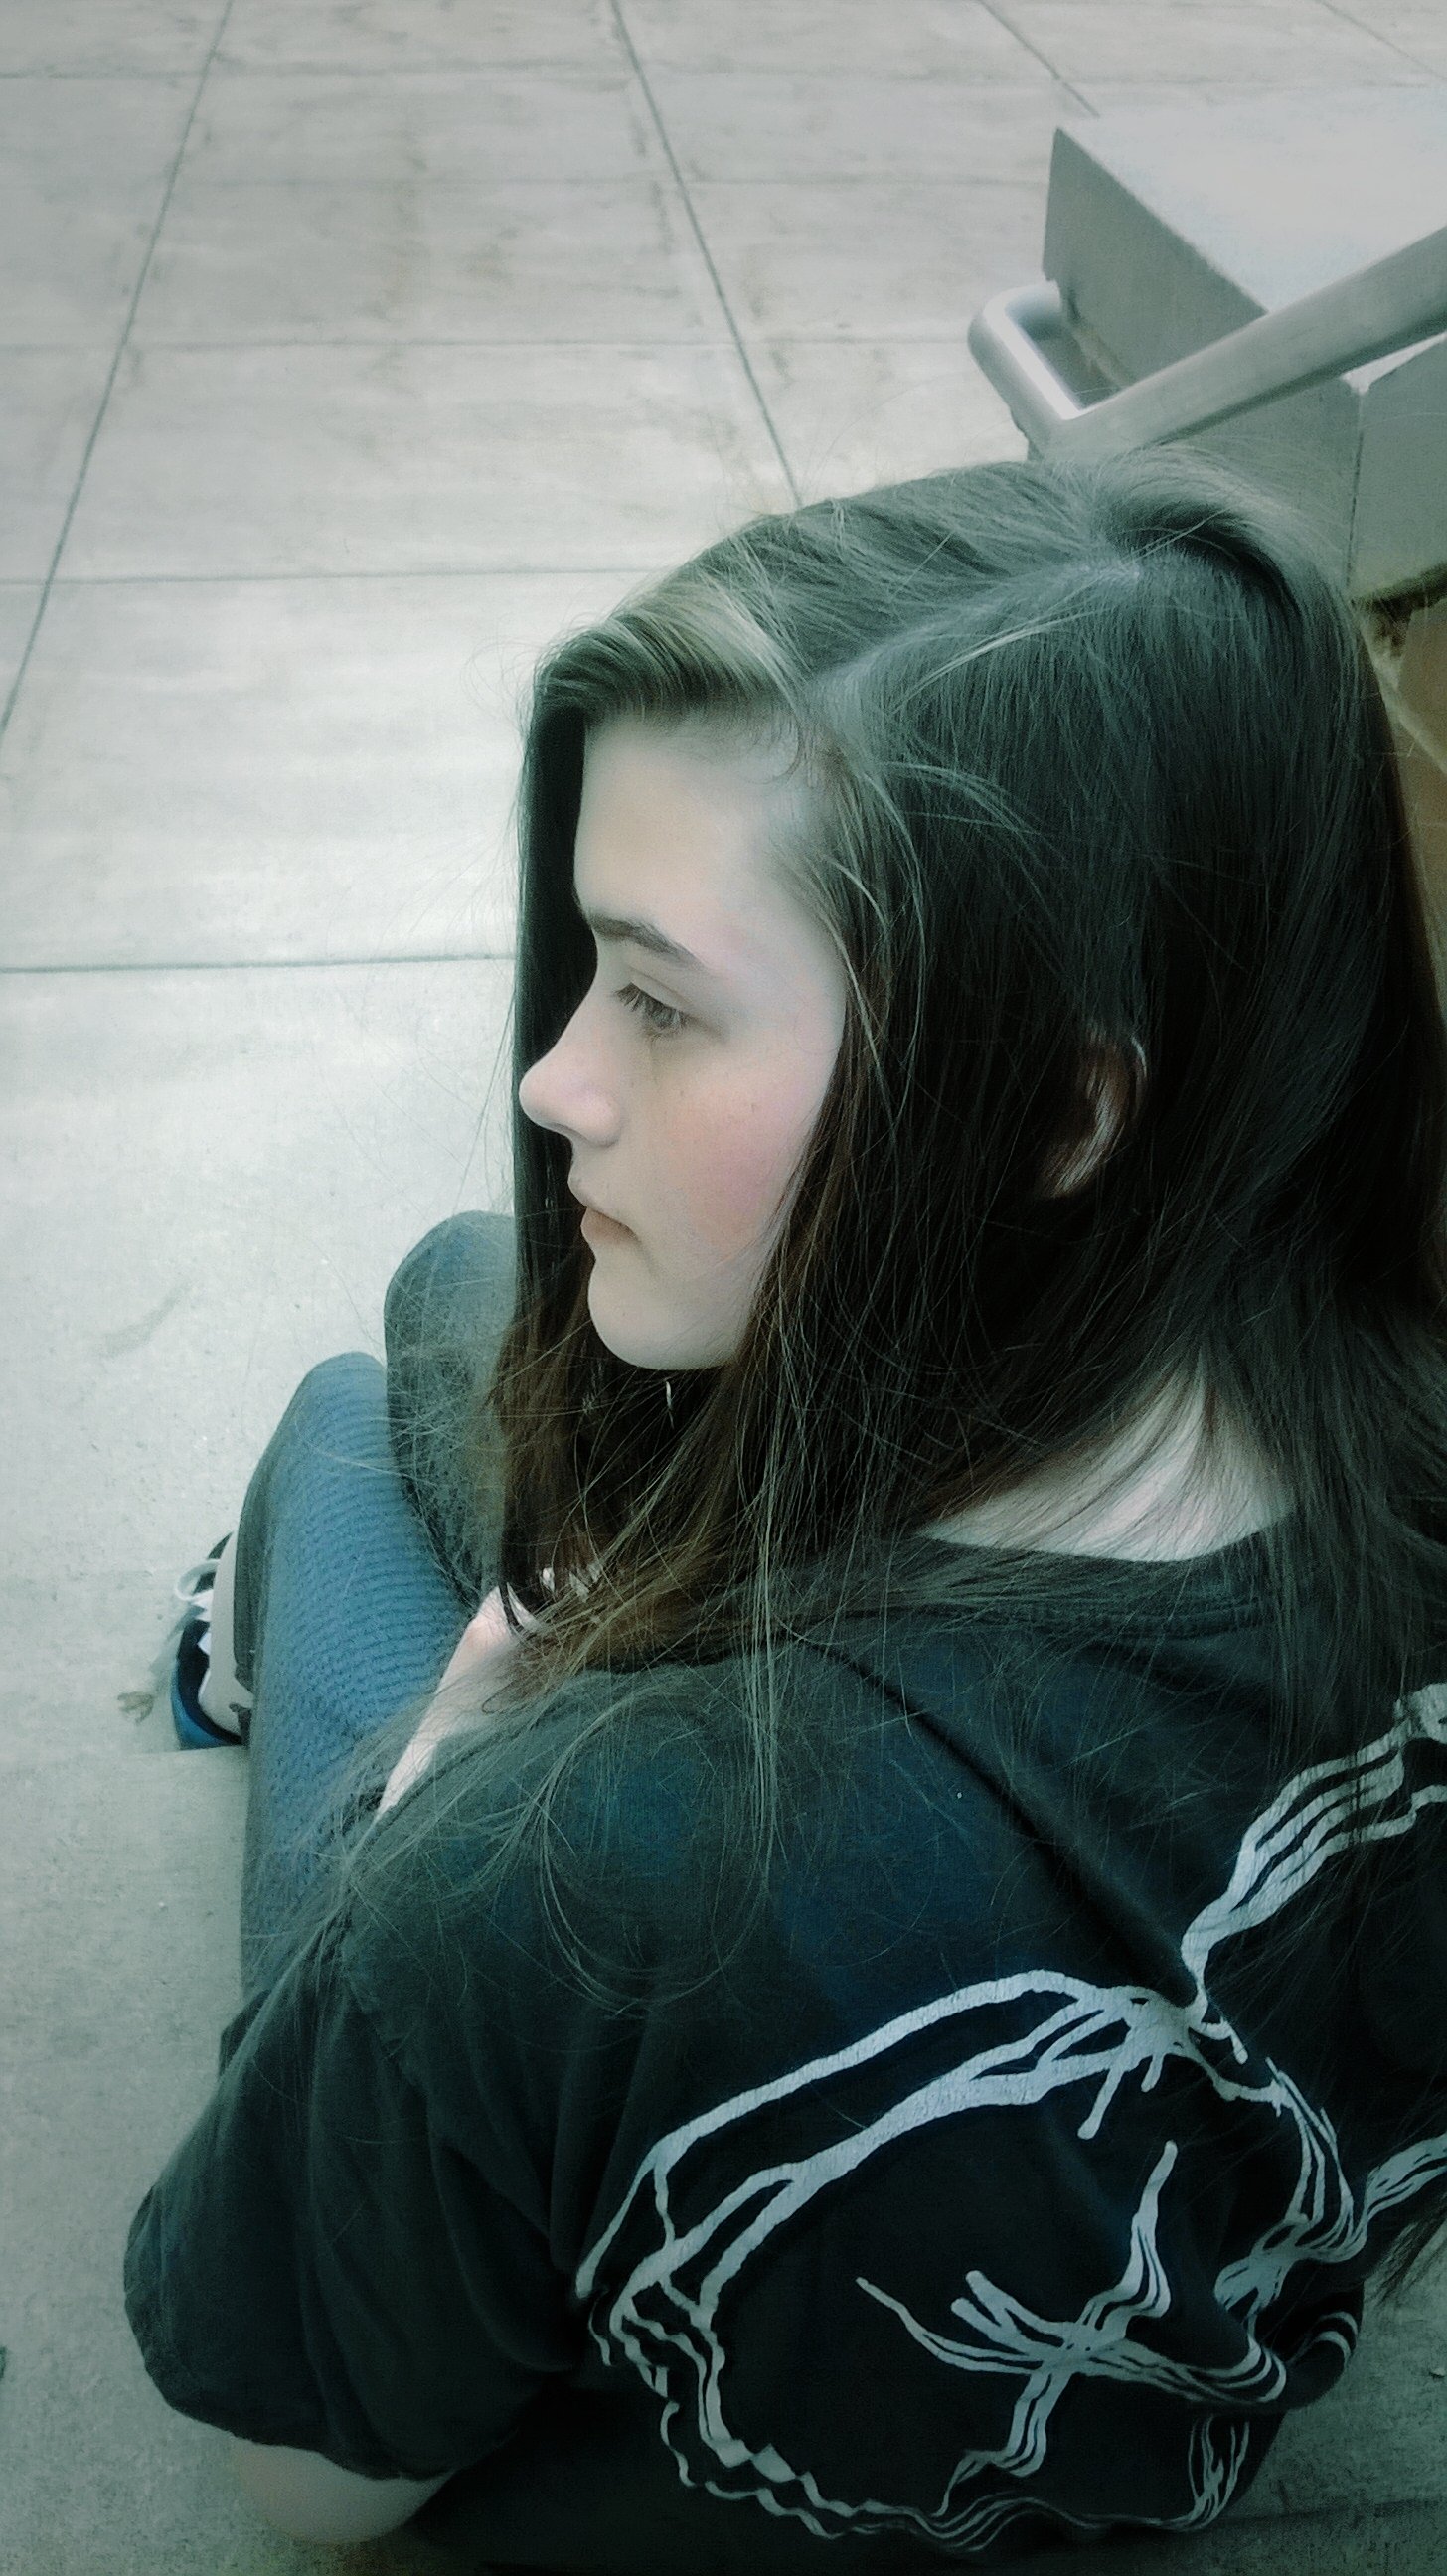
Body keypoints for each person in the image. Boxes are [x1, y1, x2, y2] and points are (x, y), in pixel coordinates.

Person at [125, 448, 1447, 2568]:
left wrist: (459, 1759)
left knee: (333, 1423)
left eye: (657, 997)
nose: (563, 1075)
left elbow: (304, 2474)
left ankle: (259, 1634)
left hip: (579, 1897)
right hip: (1157, 2277)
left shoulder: (544, 1889)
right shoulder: (1383, 1410)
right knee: (473, 1280)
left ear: (1051, 1107)